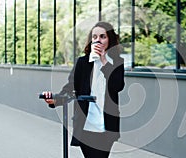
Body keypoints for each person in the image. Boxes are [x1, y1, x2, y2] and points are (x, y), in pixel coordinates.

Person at [42, 21, 125, 158]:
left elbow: (117, 86)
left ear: (110, 39)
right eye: (94, 37)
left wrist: (103, 60)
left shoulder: (116, 63)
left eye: (102, 36)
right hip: (85, 126)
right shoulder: (83, 63)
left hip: (107, 126)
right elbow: (70, 88)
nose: (98, 40)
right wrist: (55, 100)